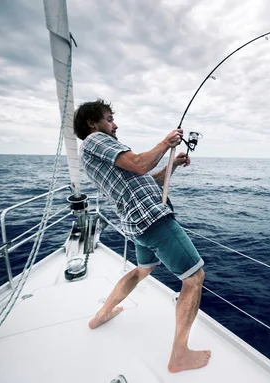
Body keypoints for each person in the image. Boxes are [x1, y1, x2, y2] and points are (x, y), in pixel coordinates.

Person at [73, 99, 211, 373]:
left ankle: (101, 315)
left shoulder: (92, 154)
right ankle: (179, 355)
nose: (115, 124)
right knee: (194, 278)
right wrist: (166, 142)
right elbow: (139, 164)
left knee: (141, 270)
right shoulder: (95, 140)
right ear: (93, 123)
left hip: (136, 222)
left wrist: (170, 165)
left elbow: (144, 179)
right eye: (109, 118)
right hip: (152, 218)